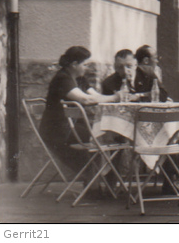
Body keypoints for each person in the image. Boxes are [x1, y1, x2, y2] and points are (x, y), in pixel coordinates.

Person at [39, 46, 125, 174]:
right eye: (85, 64)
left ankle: (106, 185)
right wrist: (116, 97)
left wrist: (116, 96)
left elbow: (95, 97)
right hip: (57, 132)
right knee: (104, 138)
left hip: (70, 128)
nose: (87, 67)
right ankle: (96, 187)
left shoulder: (79, 78)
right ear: (74, 64)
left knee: (110, 136)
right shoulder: (62, 78)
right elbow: (86, 100)